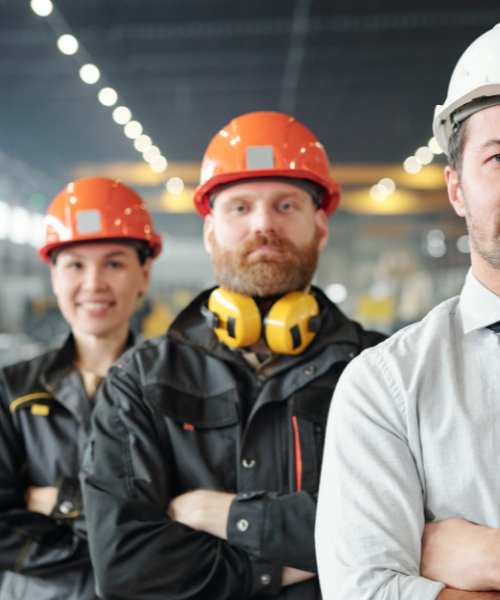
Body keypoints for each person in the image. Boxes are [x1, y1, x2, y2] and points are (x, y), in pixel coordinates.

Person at [80, 111, 385, 600]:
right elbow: (125, 567)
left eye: (285, 205)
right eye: (239, 208)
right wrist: (292, 566)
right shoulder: (139, 381)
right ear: (209, 232)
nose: (263, 224)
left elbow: (405, 528)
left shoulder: (381, 369)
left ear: (321, 226)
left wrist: (219, 514)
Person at [316, 23, 500, 600]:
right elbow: (364, 593)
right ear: (456, 188)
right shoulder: (387, 388)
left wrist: (491, 559)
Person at [0, 177, 161, 599]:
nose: (93, 283)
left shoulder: (176, 391)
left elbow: (189, 522)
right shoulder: (12, 390)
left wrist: (60, 502)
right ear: (53, 275)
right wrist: (121, 539)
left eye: (114, 263)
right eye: (74, 264)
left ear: (143, 273)